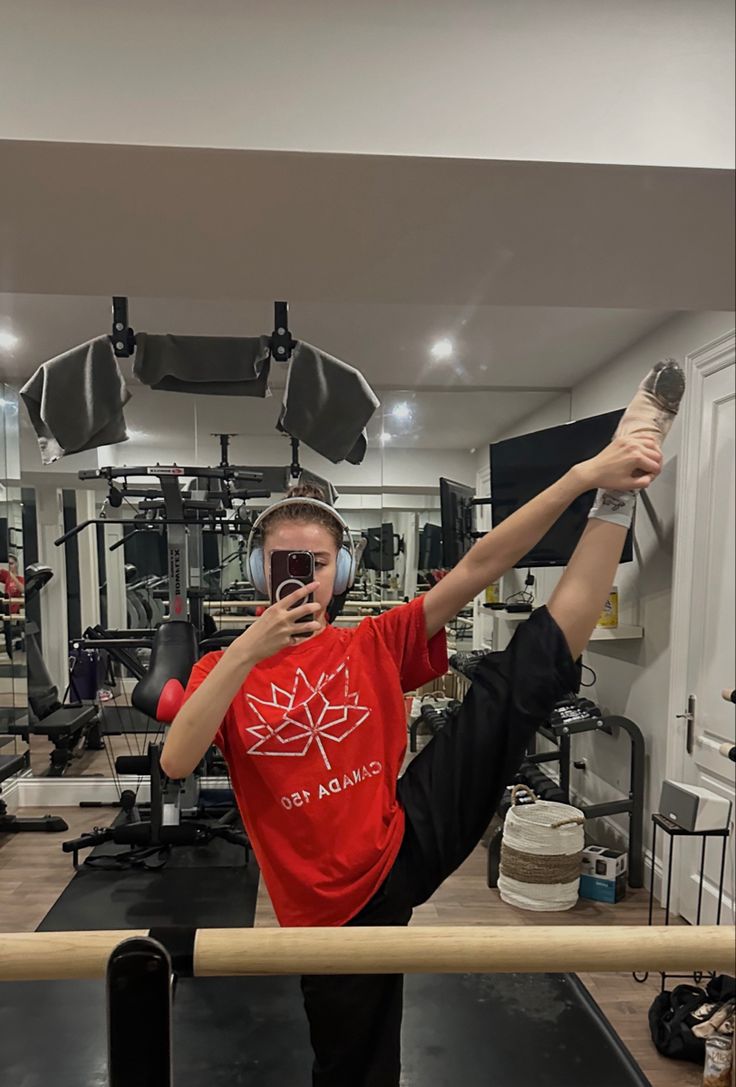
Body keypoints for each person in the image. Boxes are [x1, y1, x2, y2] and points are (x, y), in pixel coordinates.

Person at [163, 360, 684, 1086]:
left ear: (341, 573)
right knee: (352, 1067)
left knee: (523, 672)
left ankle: (616, 501)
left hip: (401, 840)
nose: (302, 577)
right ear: (258, 572)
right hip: (323, 914)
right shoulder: (224, 669)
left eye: (316, 563)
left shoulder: (370, 642)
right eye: (287, 563)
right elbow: (178, 761)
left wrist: (581, 476)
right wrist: (248, 648)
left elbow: (479, 565)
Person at [0, 554, 24, 660]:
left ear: (16, 565)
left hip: (12, 609)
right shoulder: (6, 576)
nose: (10, 566)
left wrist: (12, 575)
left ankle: (10, 654)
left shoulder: (20, 579)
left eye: (12, 564)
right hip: (5, 606)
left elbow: (23, 589)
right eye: (8, 564)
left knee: (8, 633)